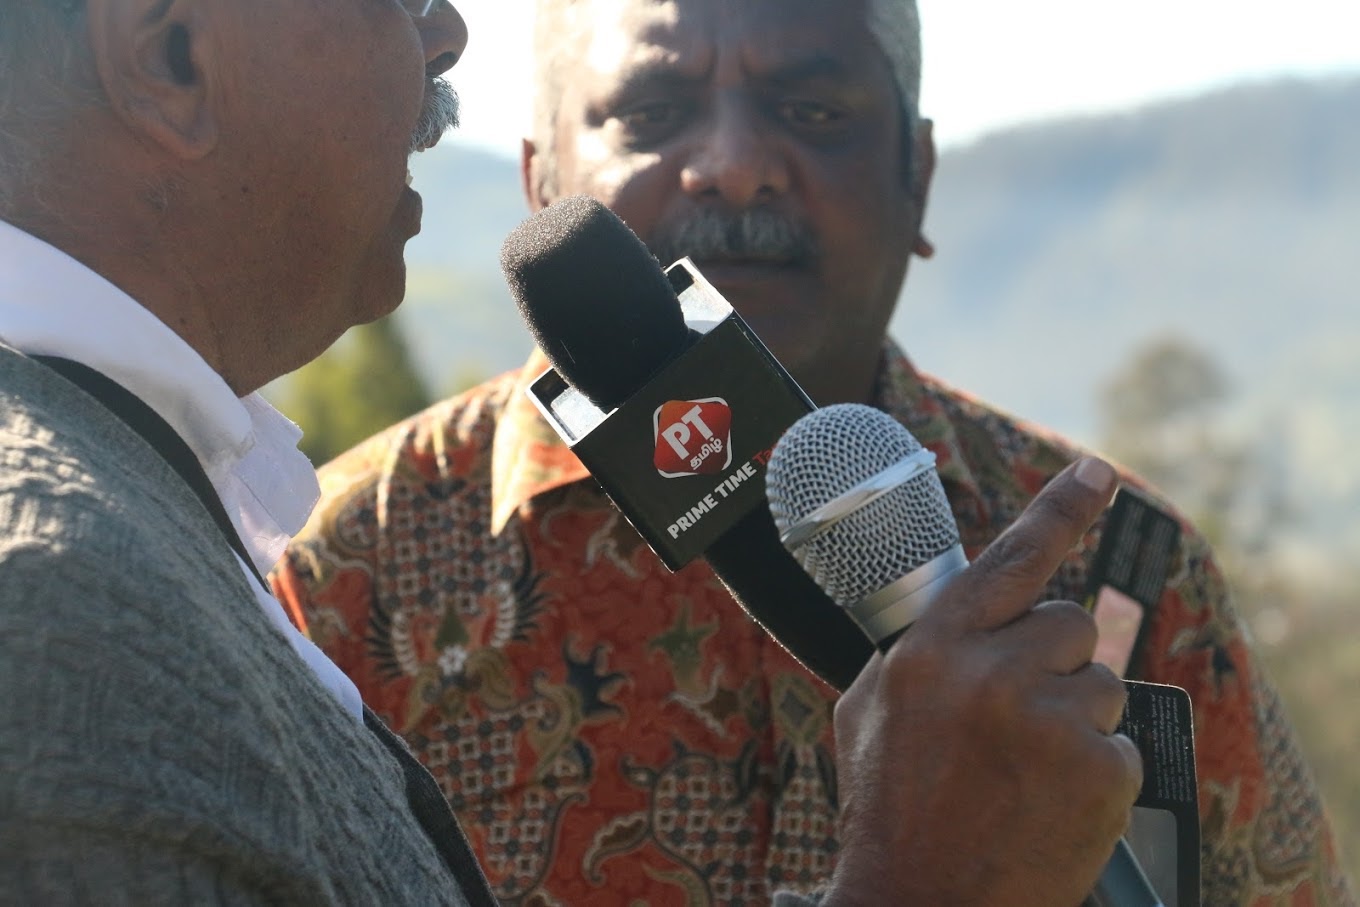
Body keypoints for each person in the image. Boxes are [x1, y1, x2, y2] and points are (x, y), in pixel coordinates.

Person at [0, 1, 1144, 905]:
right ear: (172, 52)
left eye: (814, 111)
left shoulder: (152, 522)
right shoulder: (55, 609)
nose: (447, 31)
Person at [272, 1, 1354, 905]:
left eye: (812, 110)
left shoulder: (1127, 578)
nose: (735, 169)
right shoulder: (338, 576)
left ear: (916, 177)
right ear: (540, 182)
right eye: (651, 113)